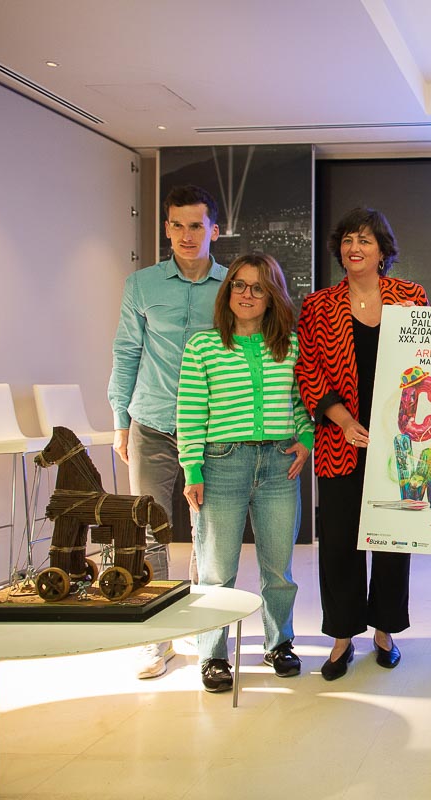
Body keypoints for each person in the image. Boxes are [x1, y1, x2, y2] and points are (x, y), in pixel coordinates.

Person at [295, 208, 428, 680]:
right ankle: (342, 635)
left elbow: (430, 359)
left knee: (393, 538)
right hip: (341, 438)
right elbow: (308, 371)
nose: (355, 247)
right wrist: (345, 420)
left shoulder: (412, 297)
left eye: (366, 240)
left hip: (401, 440)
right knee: (338, 542)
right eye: (348, 239)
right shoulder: (318, 306)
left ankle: (385, 630)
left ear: (382, 250)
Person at [176, 253, 313, 693]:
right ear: (227, 291)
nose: (247, 294)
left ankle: (279, 643)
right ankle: (213, 654)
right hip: (222, 464)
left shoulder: (290, 346)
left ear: (272, 296)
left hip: (278, 464)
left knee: (279, 569)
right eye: (239, 285)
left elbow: (300, 402)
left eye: (258, 287)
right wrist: (192, 468)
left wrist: (306, 438)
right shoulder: (203, 346)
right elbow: (191, 412)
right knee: (216, 571)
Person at [108, 184, 226, 679]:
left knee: (207, 534)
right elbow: (126, 352)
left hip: (214, 425)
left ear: (214, 230)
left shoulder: (232, 286)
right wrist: (120, 420)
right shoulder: (142, 285)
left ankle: (201, 628)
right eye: (177, 225)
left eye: (196, 225)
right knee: (148, 533)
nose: (186, 235)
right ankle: (154, 637)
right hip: (151, 423)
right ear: (166, 228)